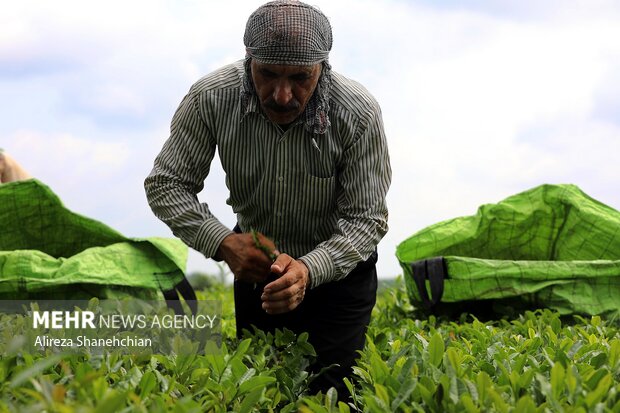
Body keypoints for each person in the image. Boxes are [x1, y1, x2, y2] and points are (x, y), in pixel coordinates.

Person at [145, 0, 391, 400]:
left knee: (333, 395)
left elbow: (367, 220)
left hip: (340, 275)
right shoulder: (211, 98)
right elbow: (167, 183)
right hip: (260, 271)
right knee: (262, 393)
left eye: (300, 78)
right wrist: (225, 243)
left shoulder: (357, 113)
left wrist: (309, 269)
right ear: (248, 61)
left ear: (322, 69)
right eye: (268, 74)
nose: (281, 95)